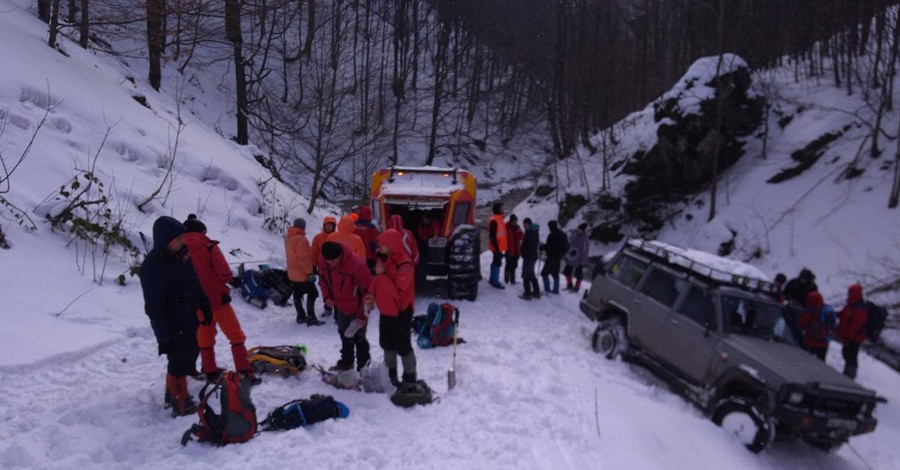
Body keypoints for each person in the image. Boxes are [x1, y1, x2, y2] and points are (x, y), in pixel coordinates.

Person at [140, 216, 212, 417]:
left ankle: (173, 392)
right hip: (172, 322)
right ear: (165, 241)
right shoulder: (152, 267)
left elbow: (195, 283)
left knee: (190, 352)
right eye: (177, 239)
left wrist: (205, 306)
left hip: (188, 317)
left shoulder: (182, 256)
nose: (182, 241)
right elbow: (154, 307)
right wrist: (163, 336)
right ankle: (178, 400)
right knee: (178, 360)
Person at [182, 215, 261, 386]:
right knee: (236, 336)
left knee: (205, 336)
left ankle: (209, 371)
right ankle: (244, 372)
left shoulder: (179, 251)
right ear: (201, 231)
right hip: (217, 299)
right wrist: (233, 280)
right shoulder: (209, 247)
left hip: (196, 302)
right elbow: (224, 272)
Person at [368, 229, 418, 386]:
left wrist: (381, 276)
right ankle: (391, 376)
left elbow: (398, 293)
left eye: (382, 244)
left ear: (391, 245)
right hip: (386, 311)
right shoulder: (383, 260)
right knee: (387, 343)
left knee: (403, 346)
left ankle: (409, 377)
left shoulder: (405, 265)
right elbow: (377, 282)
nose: (379, 246)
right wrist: (370, 295)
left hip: (400, 311)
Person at [318, 241, 373, 371]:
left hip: (357, 308)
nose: (331, 264)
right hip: (340, 306)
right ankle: (347, 362)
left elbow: (369, 291)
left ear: (341, 255)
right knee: (344, 335)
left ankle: (363, 367)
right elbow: (323, 280)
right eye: (328, 262)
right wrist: (327, 297)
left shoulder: (357, 265)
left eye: (334, 261)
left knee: (359, 339)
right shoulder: (323, 261)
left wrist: (363, 315)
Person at [285, 218, 326, 327]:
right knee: (313, 293)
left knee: (297, 294)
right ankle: (311, 317)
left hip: (292, 273)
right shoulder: (300, 239)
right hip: (301, 273)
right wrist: (309, 273)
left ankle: (300, 316)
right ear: (303, 227)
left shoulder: (288, 238)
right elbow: (303, 259)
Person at [836, 284, 869, 379]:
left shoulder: (860, 308)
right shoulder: (851, 304)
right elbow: (843, 314)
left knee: (851, 356)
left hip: (854, 338)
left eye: (850, 292)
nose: (848, 294)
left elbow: (856, 325)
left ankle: (850, 375)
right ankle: (847, 373)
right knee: (846, 353)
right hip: (848, 337)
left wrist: (849, 337)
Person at [310, 215, 337, 316]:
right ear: (324, 226)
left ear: (334, 226)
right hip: (323, 267)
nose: (329, 227)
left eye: (331, 225)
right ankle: (328, 307)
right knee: (326, 287)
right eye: (327, 225)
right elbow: (314, 253)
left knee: (337, 288)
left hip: (335, 267)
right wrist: (313, 266)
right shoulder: (318, 238)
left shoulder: (338, 236)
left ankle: (338, 310)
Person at [798, 290, 835, 361]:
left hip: (810, 341)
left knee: (805, 361)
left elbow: (802, 323)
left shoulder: (810, 310)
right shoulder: (826, 310)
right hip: (824, 342)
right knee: (820, 364)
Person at [540, 220, 568, 294]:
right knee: (555, 273)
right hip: (558, 257)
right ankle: (555, 290)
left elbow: (548, 247)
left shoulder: (552, 235)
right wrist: (562, 253)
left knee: (544, 273)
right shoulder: (563, 234)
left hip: (551, 257)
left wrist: (542, 247)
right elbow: (567, 246)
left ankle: (547, 289)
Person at [562, 223, 590, 292]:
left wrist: (582, 262)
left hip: (579, 260)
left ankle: (577, 287)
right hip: (571, 258)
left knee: (578, 275)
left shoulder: (585, 239)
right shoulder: (574, 235)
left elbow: (585, 252)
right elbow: (570, 246)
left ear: (583, 231)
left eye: (579, 230)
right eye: (577, 229)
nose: (577, 231)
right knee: (567, 272)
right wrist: (566, 255)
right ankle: (570, 284)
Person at [354, 205, 381, 274]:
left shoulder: (354, 224)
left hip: (355, 254)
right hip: (368, 255)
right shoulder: (371, 227)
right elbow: (373, 242)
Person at [519, 218, 541, 300]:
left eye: (526, 224)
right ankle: (536, 291)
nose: (524, 225)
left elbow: (529, 245)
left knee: (526, 274)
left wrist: (523, 249)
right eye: (524, 224)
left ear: (529, 224)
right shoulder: (532, 231)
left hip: (529, 256)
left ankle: (527, 293)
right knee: (531, 274)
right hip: (531, 256)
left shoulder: (531, 233)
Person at [487, 203, 507, 289]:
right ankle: (495, 281)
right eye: (501, 208)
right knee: (497, 262)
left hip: (498, 246)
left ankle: (492, 279)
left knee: (496, 261)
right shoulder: (495, 220)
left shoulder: (499, 219)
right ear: (498, 209)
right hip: (497, 246)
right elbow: (493, 235)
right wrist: (497, 247)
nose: (503, 209)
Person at [504, 214, 524, 285]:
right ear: (511, 221)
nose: (515, 223)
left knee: (514, 266)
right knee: (508, 265)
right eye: (514, 221)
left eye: (516, 221)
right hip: (509, 250)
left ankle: (512, 280)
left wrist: (520, 232)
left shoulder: (517, 227)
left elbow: (522, 237)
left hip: (516, 250)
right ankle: (506, 279)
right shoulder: (506, 227)